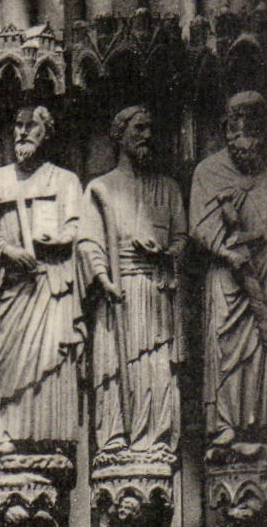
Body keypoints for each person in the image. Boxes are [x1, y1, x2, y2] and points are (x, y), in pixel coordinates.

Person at [0, 105, 84, 456]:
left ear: (46, 133)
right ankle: (7, 432)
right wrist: (7, 250)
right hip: (12, 287)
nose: (21, 132)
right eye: (17, 125)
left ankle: (51, 435)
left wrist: (61, 240)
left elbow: (79, 227)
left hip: (50, 285)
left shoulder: (65, 181)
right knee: (10, 365)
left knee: (51, 359)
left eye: (30, 126)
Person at [78, 106, 188, 456]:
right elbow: (87, 243)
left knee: (155, 366)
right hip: (117, 294)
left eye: (150, 129)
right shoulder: (100, 188)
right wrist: (103, 278)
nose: (147, 136)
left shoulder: (167, 189)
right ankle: (114, 438)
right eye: (139, 128)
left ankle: (156, 438)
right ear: (119, 134)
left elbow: (183, 240)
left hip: (154, 291)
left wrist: (166, 253)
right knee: (113, 365)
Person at [190, 90, 267, 455]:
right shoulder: (209, 171)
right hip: (229, 272)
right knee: (225, 342)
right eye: (236, 119)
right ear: (226, 125)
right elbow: (200, 225)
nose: (243, 127)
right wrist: (226, 252)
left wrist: (265, 236)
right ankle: (227, 424)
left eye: (252, 119)